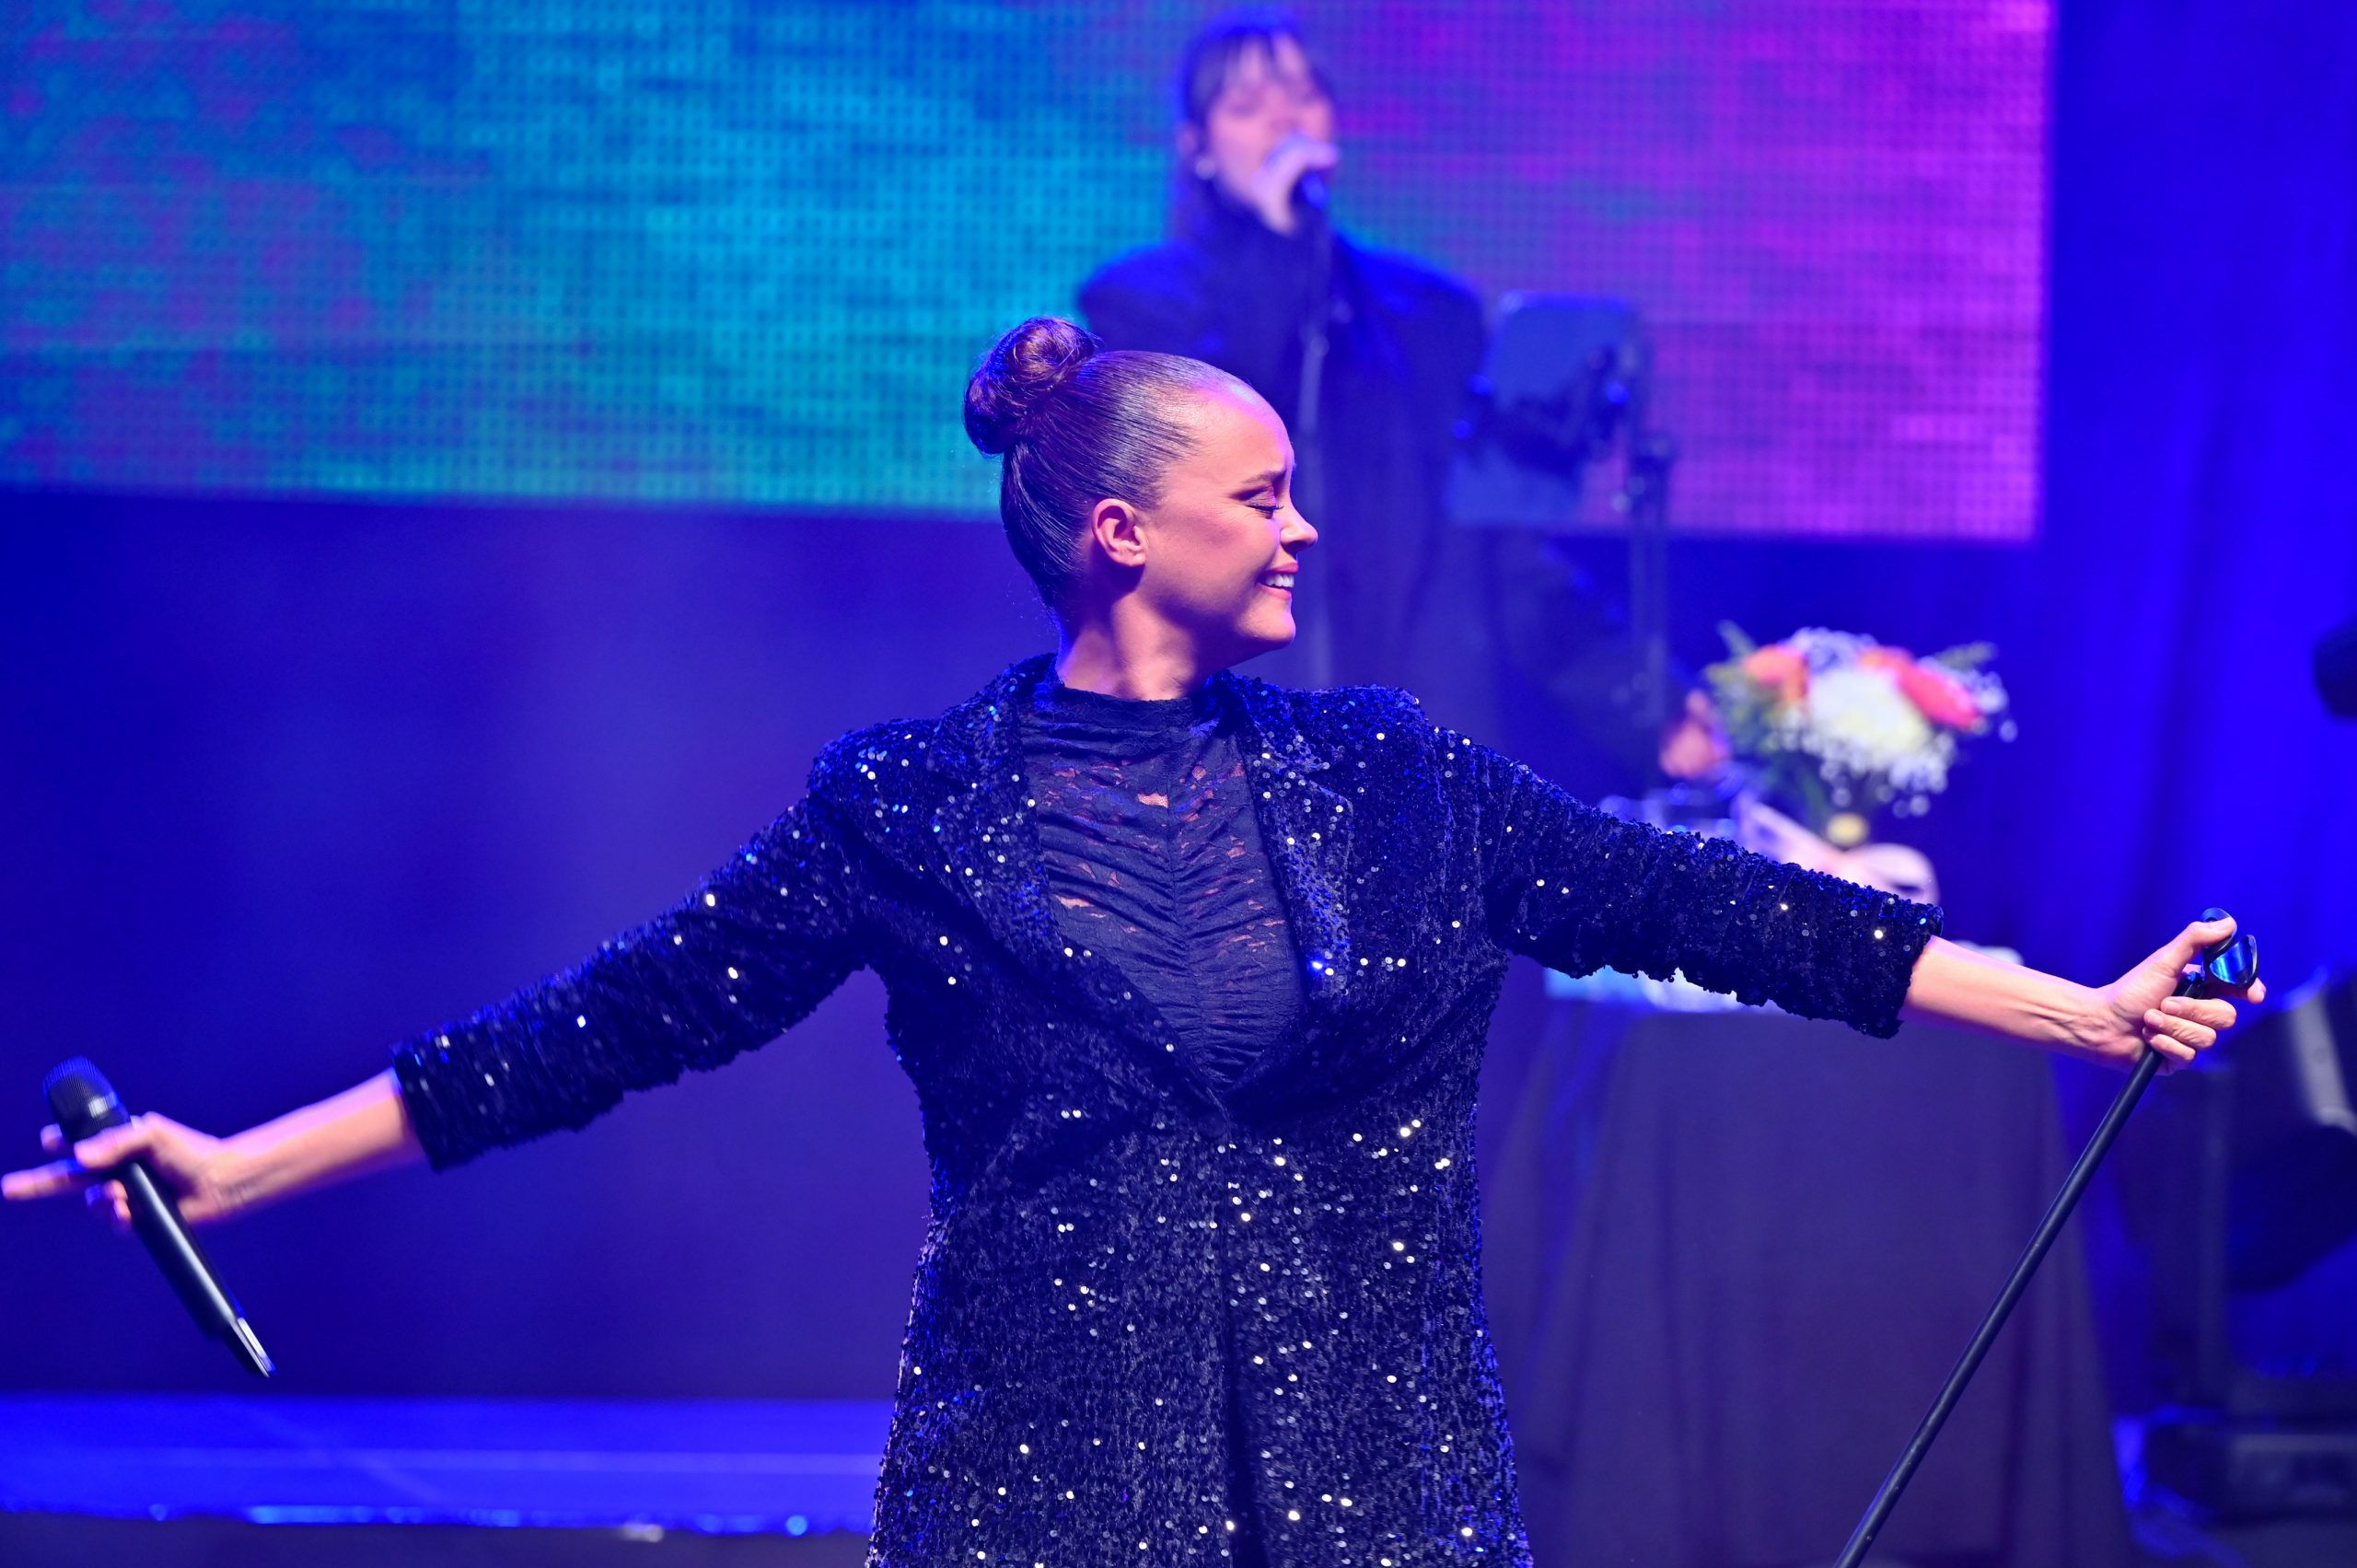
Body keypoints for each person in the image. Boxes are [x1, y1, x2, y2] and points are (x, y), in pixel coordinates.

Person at [6, 319, 2260, 1566]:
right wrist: (239, 1164)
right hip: (1042, 1491)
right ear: (1118, 530)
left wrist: (2079, 1008)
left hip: (1376, 1487)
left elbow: (1727, 913)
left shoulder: (1392, 775)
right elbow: (590, 1033)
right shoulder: (903, 806)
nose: (1301, 526)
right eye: (1258, 494)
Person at [1078, 10, 1494, 729]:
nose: (1284, 121)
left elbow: (1494, 542)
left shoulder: (1429, 311)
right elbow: (1204, 455)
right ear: (1197, 148)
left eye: (1303, 96)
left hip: (1413, 691)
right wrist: (1277, 246)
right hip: (1237, 699)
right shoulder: (1140, 302)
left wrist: (1650, 702)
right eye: (1246, 107)